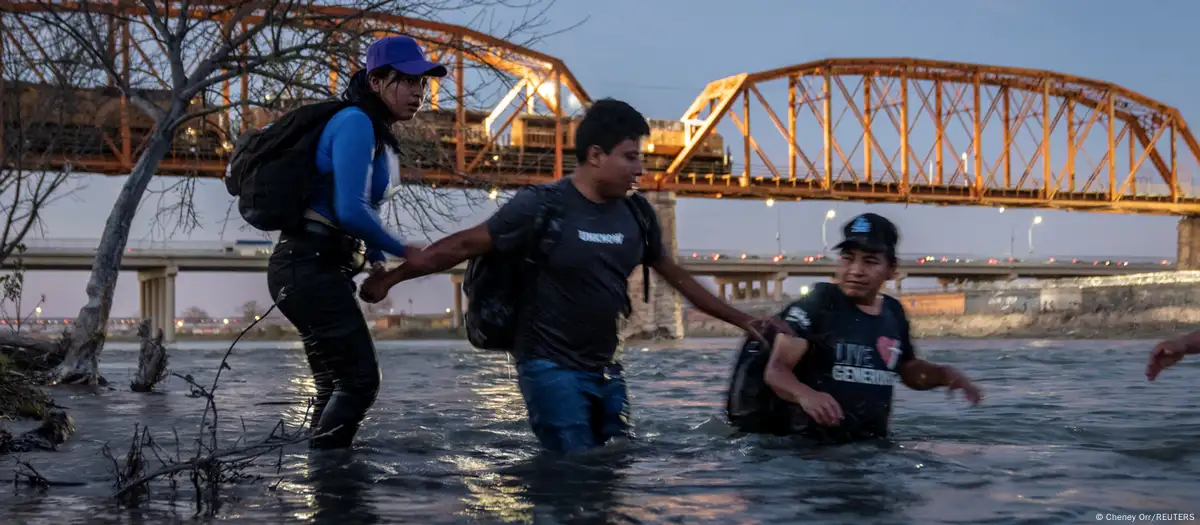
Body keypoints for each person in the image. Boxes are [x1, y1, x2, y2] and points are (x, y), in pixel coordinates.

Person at [358, 98, 784, 454]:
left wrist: (745, 321)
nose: (641, 169)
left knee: (616, 462)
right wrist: (391, 279)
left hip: (606, 369)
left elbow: (677, 277)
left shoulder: (638, 213)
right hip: (548, 367)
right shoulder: (541, 206)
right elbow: (461, 246)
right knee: (575, 468)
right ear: (596, 155)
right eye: (631, 157)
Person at [266, 35, 444, 449]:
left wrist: (379, 263)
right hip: (307, 265)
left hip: (319, 267)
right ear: (377, 80)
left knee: (334, 384)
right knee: (360, 382)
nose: (420, 91)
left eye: (425, 84)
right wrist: (406, 250)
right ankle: (334, 483)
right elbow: (348, 210)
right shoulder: (355, 122)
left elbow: (365, 207)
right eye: (410, 80)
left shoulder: (378, 133)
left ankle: (322, 486)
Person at [728, 212, 983, 442]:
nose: (855, 270)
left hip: (870, 446)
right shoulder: (818, 305)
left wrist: (945, 375)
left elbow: (906, 370)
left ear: (891, 270)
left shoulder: (893, 312)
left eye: (870, 262)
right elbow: (777, 371)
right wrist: (804, 394)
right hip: (808, 452)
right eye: (848, 259)